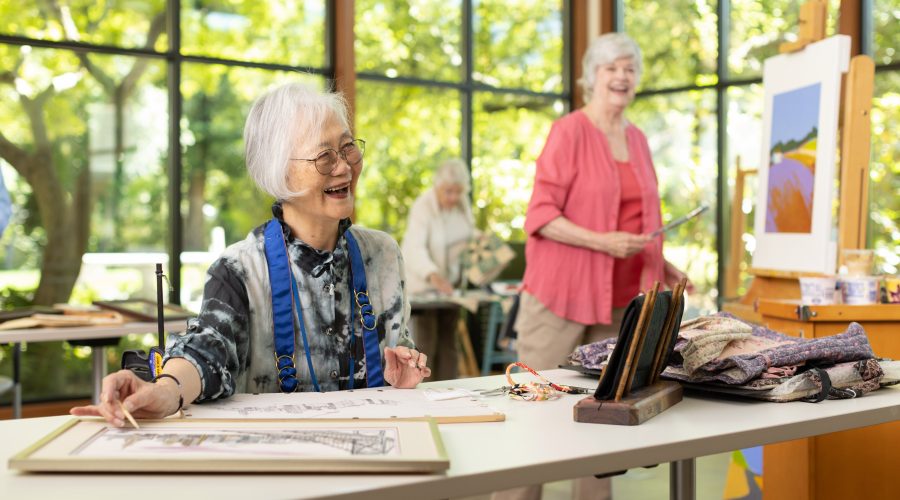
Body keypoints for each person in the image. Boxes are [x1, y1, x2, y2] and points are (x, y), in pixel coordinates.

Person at [72, 82, 431, 426]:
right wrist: (166, 390)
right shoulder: (239, 270)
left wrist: (402, 372)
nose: (343, 166)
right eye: (324, 155)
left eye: (348, 147)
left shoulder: (382, 254)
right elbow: (209, 350)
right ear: (280, 172)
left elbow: (397, 351)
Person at [500, 33, 692, 500]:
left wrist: (664, 266)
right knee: (536, 419)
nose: (622, 76)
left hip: (620, 305)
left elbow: (637, 227)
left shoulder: (639, 140)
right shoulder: (570, 132)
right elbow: (540, 217)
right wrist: (603, 242)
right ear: (592, 77)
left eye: (629, 68)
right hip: (559, 298)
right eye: (612, 68)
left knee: (602, 425)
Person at [400, 159, 475, 380]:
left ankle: (449, 390)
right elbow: (413, 247)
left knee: (449, 344)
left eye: (457, 192)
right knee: (425, 345)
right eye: (448, 191)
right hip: (425, 286)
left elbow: (467, 241)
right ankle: (425, 394)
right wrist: (433, 274)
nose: (453, 197)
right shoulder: (423, 206)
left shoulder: (463, 206)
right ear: (437, 187)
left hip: (450, 289)